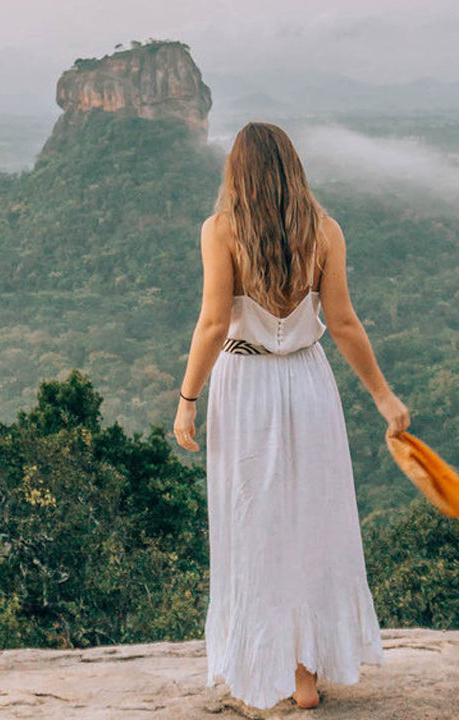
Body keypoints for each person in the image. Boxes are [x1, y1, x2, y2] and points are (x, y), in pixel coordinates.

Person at [172, 121, 410, 711]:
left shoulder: (220, 231)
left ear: (238, 173)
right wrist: (383, 396)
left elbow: (210, 324)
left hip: (244, 385)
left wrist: (187, 398)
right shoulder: (324, 231)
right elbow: (345, 323)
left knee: (253, 521)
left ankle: (262, 663)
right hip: (307, 381)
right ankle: (305, 670)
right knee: (311, 521)